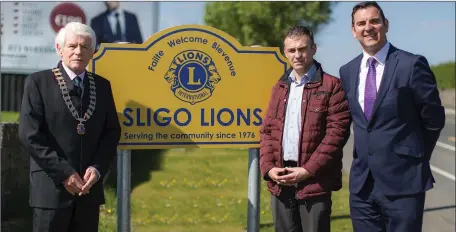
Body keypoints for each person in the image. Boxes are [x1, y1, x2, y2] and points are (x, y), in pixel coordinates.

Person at [339, 2, 446, 231]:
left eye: (374, 21)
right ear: (353, 31)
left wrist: (413, 157)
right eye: (361, 23)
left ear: (385, 25)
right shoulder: (347, 71)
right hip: (362, 186)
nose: (368, 27)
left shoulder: (411, 64)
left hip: (404, 183)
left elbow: (434, 119)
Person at [19, 22, 121, 232]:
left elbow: (111, 132)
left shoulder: (102, 86)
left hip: (88, 191)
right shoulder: (38, 82)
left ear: (93, 52)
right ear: (60, 49)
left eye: (85, 47)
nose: (78, 52)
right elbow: (30, 135)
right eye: (72, 46)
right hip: (51, 190)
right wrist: (65, 173)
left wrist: (97, 168)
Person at [259, 25, 352, 232]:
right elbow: (266, 132)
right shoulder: (279, 87)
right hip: (280, 182)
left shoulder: (332, 86)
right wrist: (268, 168)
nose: (297, 55)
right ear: (285, 53)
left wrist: (307, 170)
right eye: (292, 50)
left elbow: (336, 135)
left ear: (313, 49)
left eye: (302, 49)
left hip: (314, 184)